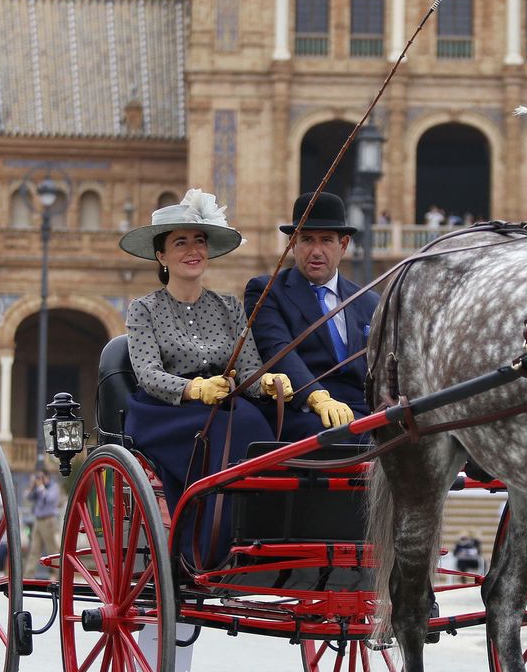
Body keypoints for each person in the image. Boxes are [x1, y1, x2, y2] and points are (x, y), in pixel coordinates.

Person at [120, 188, 294, 565]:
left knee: (256, 427)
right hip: (165, 412)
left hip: (223, 403)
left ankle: (260, 540)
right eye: (180, 242)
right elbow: (148, 374)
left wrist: (265, 383)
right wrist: (194, 389)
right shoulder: (143, 310)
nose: (193, 249)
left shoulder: (229, 306)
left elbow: (248, 367)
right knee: (225, 432)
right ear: (161, 255)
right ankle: (208, 548)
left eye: (199, 240)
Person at [243, 192, 379, 442]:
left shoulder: (369, 301)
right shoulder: (267, 291)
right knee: (340, 438)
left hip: (361, 410)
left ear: (343, 245)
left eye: (326, 240)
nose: (316, 251)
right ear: (293, 243)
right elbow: (278, 351)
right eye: (307, 240)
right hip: (301, 409)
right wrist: (318, 398)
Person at [25, 463, 61, 566]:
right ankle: (28, 574)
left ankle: (59, 573)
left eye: (41, 477)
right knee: (34, 550)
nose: (39, 479)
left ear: (47, 477)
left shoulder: (53, 487)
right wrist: (32, 486)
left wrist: (41, 487)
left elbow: (49, 499)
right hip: (38, 521)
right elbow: (28, 497)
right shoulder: (38, 488)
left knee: (53, 551)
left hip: (49, 521)